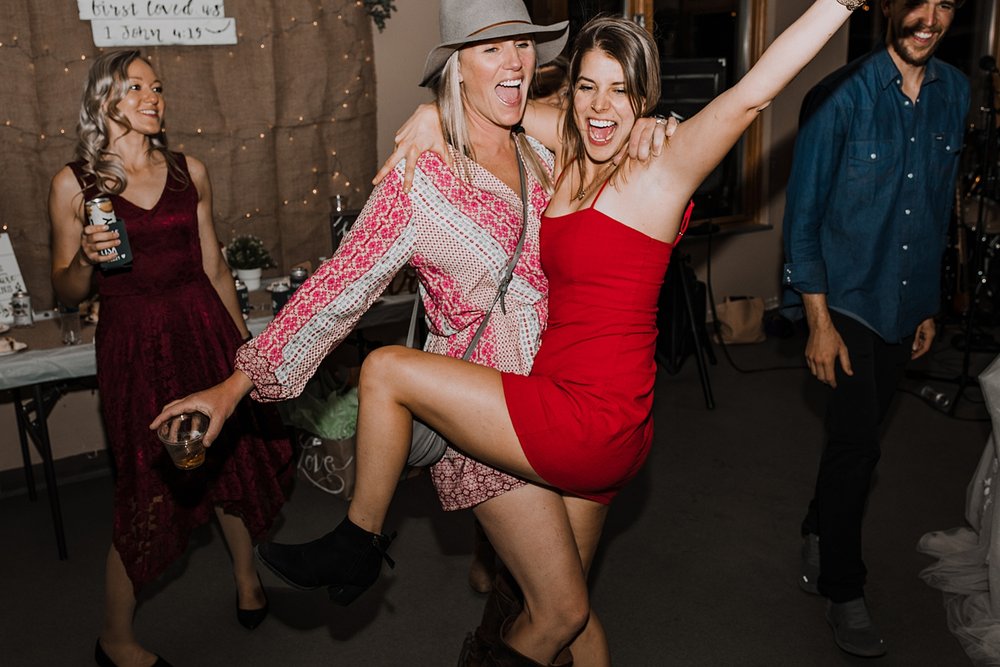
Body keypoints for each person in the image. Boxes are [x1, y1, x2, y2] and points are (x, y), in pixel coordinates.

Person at [158, 2, 867, 664]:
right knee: (559, 611)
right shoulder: (425, 178)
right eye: (490, 47)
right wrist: (233, 386)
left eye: (523, 44)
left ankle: (405, 578)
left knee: (558, 612)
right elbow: (335, 290)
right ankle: (360, 544)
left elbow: (683, 104)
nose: (515, 61)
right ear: (456, 64)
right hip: (485, 420)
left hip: (578, 403)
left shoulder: (547, 152)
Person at [49, 50, 293, 667]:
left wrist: (248, 360)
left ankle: (246, 578)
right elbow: (66, 288)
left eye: (157, 87)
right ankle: (116, 637)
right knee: (148, 479)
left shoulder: (191, 171)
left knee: (226, 459)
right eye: (136, 87)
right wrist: (85, 260)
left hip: (202, 330)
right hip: (133, 345)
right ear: (105, 98)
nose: (153, 97)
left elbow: (213, 268)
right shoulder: (74, 183)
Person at [781, 0, 970, 658]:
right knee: (860, 444)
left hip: (904, 301)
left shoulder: (957, 92)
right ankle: (843, 586)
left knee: (852, 440)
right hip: (848, 302)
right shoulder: (837, 97)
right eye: (916, 0)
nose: (929, 16)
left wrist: (927, 304)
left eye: (945, 2)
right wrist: (817, 321)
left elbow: (937, 204)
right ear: (888, 5)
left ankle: (817, 525)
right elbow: (802, 216)